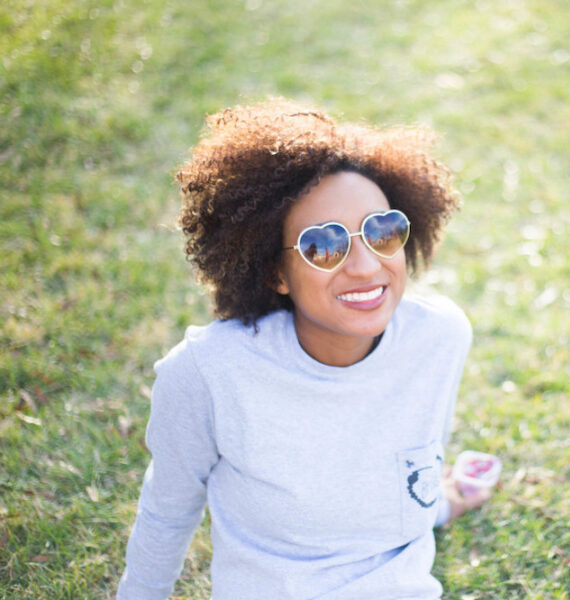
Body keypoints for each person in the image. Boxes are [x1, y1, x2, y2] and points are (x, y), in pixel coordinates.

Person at [117, 99, 490, 599]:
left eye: (382, 232)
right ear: (275, 271)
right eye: (323, 246)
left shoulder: (440, 338)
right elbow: (168, 511)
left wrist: (438, 502)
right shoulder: (208, 375)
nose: (363, 267)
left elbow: (403, 471)